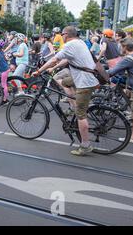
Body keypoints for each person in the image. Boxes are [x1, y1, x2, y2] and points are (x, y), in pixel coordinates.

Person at [35, 26, 99, 156]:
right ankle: (72, 103)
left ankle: (85, 145)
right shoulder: (79, 42)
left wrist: (39, 71)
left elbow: (54, 59)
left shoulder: (70, 44)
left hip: (84, 82)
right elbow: (65, 59)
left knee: (81, 114)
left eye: (62, 34)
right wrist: (53, 68)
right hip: (86, 78)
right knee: (64, 82)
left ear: (66, 34)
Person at [107, 38, 133, 142]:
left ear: (125, 47)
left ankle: (132, 138)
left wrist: (99, 72)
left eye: (121, 46)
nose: (120, 48)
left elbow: (113, 71)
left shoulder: (128, 59)